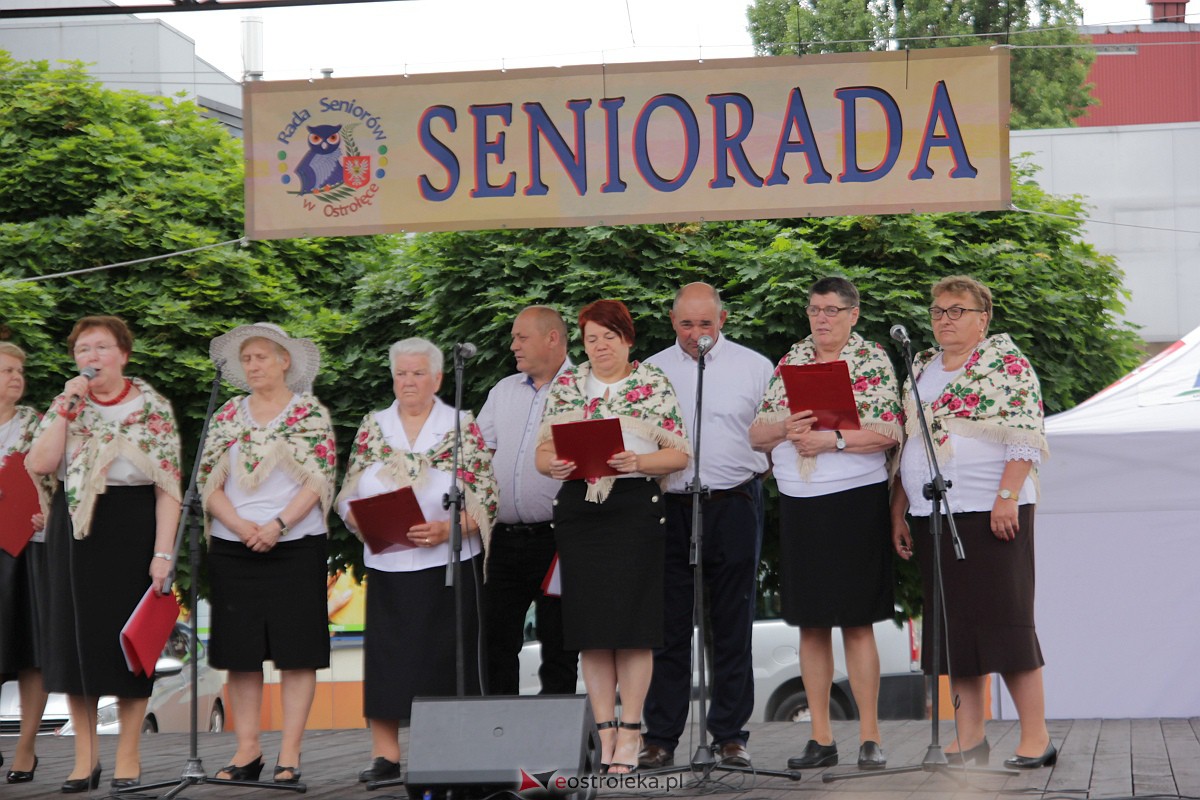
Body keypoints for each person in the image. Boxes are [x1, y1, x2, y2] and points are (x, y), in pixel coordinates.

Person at [891, 275, 1054, 769]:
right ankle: (969, 738)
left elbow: (1025, 435)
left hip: (993, 512)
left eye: (957, 310)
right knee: (953, 631)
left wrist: (1007, 496)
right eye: (939, 310)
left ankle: (1036, 738)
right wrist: (897, 508)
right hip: (933, 513)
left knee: (1007, 625)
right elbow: (910, 443)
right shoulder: (920, 368)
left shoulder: (1006, 365)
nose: (945, 319)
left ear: (983, 319)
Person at [750, 277, 902, 771]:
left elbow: (887, 430)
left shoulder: (871, 359)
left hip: (853, 501)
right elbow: (757, 433)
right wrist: (785, 429)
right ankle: (820, 737)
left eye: (833, 310)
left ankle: (870, 738)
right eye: (815, 309)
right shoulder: (791, 360)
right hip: (800, 502)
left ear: (853, 314)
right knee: (810, 624)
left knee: (857, 622)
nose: (822, 319)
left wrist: (832, 440)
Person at [26, 317, 183, 792]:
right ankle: (85, 758)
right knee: (76, 646)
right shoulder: (68, 404)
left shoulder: (152, 408)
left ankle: (129, 757)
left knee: (129, 650)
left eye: (100, 348)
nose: (90, 357)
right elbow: (39, 463)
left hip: (132, 527)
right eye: (82, 350)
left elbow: (168, 489)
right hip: (74, 529)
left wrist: (162, 553)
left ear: (123, 354)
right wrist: (65, 408)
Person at [535, 299, 690, 775]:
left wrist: (639, 462)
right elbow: (542, 452)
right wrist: (554, 464)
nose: (600, 347)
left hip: (634, 510)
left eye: (609, 337)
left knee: (633, 630)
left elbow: (680, 456)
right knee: (593, 632)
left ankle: (632, 732)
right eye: (591, 339)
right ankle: (605, 735)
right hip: (581, 512)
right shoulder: (569, 385)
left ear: (627, 339)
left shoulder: (651, 383)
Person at [337, 337, 497, 783]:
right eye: (402, 373)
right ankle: (385, 757)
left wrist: (449, 528)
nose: (408, 381)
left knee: (445, 658)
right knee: (388, 659)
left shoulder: (460, 425)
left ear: (438, 378)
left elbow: (486, 494)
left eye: (418, 373)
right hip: (389, 559)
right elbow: (350, 488)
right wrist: (361, 518)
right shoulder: (374, 425)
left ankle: (447, 752)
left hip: (448, 561)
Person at [637, 283, 772, 769]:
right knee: (668, 625)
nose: (697, 334)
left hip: (734, 502)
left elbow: (773, 437)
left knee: (732, 622)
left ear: (724, 320)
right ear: (673, 322)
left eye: (706, 323)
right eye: (687, 324)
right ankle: (661, 737)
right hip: (670, 506)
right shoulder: (651, 370)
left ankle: (730, 735)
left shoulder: (756, 367)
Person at [199, 323, 336, 785]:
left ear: (285, 361)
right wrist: (239, 526)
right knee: (241, 653)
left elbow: (317, 481)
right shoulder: (226, 416)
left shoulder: (309, 414)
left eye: (262, 356)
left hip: (295, 545)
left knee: (297, 653)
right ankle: (247, 751)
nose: (253, 365)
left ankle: (290, 754)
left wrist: (278, 525)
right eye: (247, 359)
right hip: (233, 546)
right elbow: (208, 483)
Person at [478, 307, 579, 696]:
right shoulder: (503, 391)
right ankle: (498, 734)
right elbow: (476, 451)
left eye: (521, 337)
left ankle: (554, 745)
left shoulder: (583, 389)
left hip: (561, 539)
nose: (513, 345)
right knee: (495, 641)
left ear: (552, 338)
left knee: (559, 644)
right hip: (502, 540)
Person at [0, 343, 54, 785]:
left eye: (20, 370)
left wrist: (48, 511)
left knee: (30, 653)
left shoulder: (36, 424)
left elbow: (57, 476)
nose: (16, 377)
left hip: (27, 547)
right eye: (5, 371)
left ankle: (26, 748)